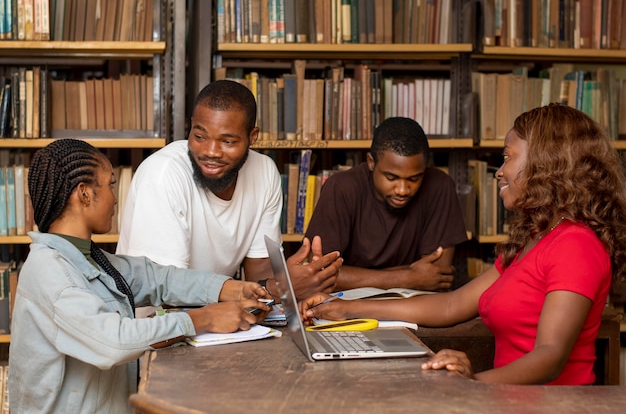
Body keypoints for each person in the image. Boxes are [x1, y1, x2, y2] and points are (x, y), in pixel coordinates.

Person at [301, 104, 626, 385]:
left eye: (507, 157)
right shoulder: (537, 238)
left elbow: (551, 356)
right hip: (506, 400)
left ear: (546, 165)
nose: (499, 172)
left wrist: (473, 383)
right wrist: (343, 308)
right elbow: (450, 306)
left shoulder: (576, 245)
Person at [8, 139, 275, 414]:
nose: (115, 196)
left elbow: (158, 278)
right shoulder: (51, 273)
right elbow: (113, 341)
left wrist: (230, 289)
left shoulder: (90, 259)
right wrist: (203, 318)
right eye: (110, 184)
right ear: (84, 194)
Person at [116, 79, 341, 300]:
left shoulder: (264, 172)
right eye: (199, 136)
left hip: (216, 318)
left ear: (252, 137)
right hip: (158, 322)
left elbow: (260, 274)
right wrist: (278, 289)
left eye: (228, 142)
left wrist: (292, 282)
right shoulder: (163, 174)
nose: (211, 152)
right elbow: (166, 288)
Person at [305, 117, 467, 292]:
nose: (403, 190)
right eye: (391, 177)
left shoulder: (440, 186)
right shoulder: (341, 188)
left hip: (415, 308)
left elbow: (436, 277)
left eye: (414, 178)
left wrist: (353, 276)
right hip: (348, 307)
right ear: (371, 162)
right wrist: (408, 277)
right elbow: (318, 275)